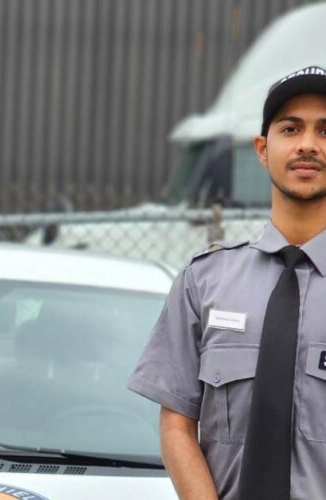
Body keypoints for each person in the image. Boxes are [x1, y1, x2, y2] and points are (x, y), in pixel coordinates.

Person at [129, 65, 326, 500]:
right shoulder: (204, 282)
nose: (309, 145)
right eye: (291, 129)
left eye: (325, 130)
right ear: (262, 148)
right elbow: (177, 423)